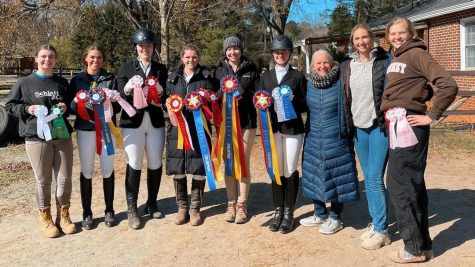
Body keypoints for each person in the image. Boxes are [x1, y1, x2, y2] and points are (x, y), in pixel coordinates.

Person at [382, 17, 458, 263]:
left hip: (410, 126)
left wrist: (432, 115)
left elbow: (447, 84)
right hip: (397, 126)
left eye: (401, 33)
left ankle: (412, 249)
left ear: (411, 33)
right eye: (393, 33)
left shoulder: (416, 54)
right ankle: (423, 246)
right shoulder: (398, 56)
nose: (396, 37)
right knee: (410, 184)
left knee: (399, 185)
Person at [5, 45, 77, 238]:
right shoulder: (24, 82)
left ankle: (64, 215)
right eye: (43, 57)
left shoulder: (62, 82)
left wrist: (65, 107)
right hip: (37, 138)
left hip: (61, 136)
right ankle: (45, 218)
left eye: (51, 57)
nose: (47, 60)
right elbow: (10, 105)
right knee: (43, 180)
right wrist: (28, 110)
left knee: (64, 179)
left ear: (56, 60)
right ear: (36, 59)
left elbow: (72, 106)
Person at [336, 24, 390, 249]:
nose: (361, 41)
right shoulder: (347, 66)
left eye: (365, 37)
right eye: (357, 38)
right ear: (352, 41)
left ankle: (382, 230)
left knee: (375, 178)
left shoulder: (385, 61)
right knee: (368, 178)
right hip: (358, 129)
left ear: (372, 38)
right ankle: (376, 221)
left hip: (379, 127)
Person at [301, 49, 359, 235]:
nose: (322, 66)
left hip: (337, 136)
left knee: (337, 175)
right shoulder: (308, 84)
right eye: (318, 63)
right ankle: (319, 213)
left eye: (325, 62)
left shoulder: (341, 82)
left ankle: (335, 217)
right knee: (313, 174)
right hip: (313, 137)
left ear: (332, 64)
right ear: (312, 66)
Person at [117, 28, 168, 230]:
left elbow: (167, 95)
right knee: (135, 163)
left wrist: (161, 91)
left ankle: (152, 202)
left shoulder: (160, 68)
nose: (145, 49)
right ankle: (132, 209)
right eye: (141, 46)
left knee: (155, 162)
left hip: (155, 121)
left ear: (154, 48)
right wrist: (128, 88)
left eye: (148, 45)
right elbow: (119, 92)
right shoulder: (126, 67)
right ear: (136, 48)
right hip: (132, 122)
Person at [259, 35, 307, 234]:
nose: (280, 55)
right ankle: (278, 210)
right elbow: (259, 100)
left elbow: (306, 104)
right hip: (273, 129)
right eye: (277, 52)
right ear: (273, 54)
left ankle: (289, 212)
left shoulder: (298, 76)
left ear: (289, 54)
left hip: (293, 129)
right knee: (276, 169)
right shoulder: (266, 77)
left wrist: (294, 100)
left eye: (284, 52)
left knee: (289, 168)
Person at [164, 44, 215, 226]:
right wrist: (169, 105)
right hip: (177, 129)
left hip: (199, 129)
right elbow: (166, 100)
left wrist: (207, 98)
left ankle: (195, 208)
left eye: (194, 57)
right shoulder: (172, 78)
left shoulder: (207, 77)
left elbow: (212, 99)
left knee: (199, 166)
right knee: (178, 166)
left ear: (198, 57)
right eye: (187, 57)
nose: (190, 60)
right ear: (181, 58)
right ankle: (182, 207)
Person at [70, 44, 119, 229]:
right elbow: (71, 107)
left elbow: (119, 108)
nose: (95, 61)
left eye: (99, 57)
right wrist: (76, 101)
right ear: (85, 58)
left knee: (107, 169)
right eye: (92, 57)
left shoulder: (110, 78)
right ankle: (87, 213)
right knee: (87, 170)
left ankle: (109, 210)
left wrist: (114, 100)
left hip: (106, 129)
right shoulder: (77, 80)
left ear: (103, 60)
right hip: (85, 130)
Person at [214, 36, 260, 224]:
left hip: (247, 122)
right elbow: (213, 96)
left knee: (243, 161)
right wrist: (222, 94)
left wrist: (243, 93)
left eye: (236, 48)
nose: (233, 52)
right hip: (225, 124)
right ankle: (231, 202)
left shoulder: (252, 69)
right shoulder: (217, 71)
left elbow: (259, 95)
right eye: (229, 49)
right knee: (229, 163)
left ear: (241, 50)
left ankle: (242, 203)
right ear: (225, 52)